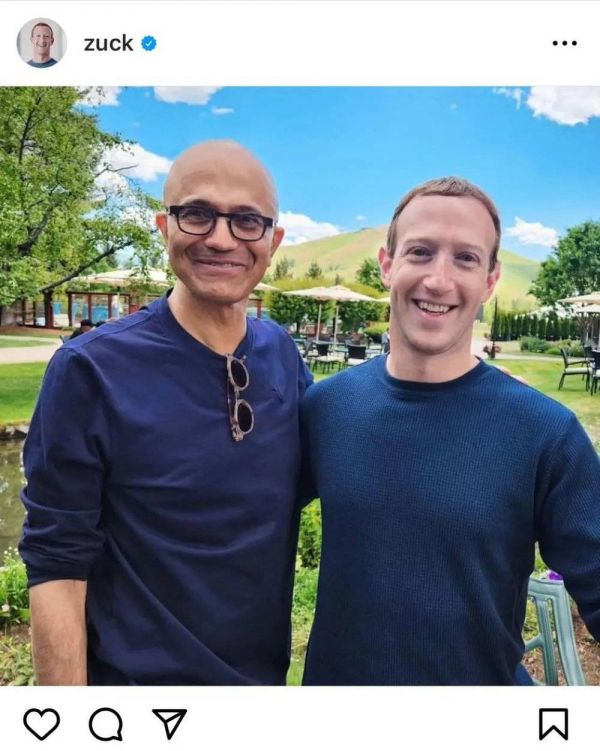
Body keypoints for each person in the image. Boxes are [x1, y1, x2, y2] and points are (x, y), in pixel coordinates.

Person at [19, 140, 312, 685]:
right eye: (197, 214)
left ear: (273, 241)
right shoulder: (91, 370)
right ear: (164, 227)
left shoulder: (282, 355)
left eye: (247, 220)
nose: (221, 238)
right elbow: (56, 561)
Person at [300, 177, 600, 685]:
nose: (438, 280)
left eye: (465, 258)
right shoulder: (326, 408)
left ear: (490, 280)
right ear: (387, 264)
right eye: (420, 252)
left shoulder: (545, 434)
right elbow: (239, 524)